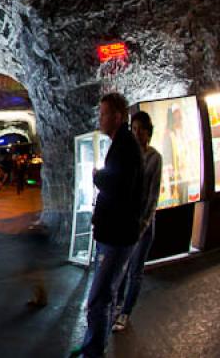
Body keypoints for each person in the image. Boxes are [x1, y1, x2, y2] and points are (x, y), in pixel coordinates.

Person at [72, 93, 144, 358]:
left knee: (98, 298)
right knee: (107, 293)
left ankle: (93, 352)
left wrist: (97, 177)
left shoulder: (124, 146)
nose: (99, 118)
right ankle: (95, 346)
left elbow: (119, 186)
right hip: (117, 233)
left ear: (117, 116)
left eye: (103, 114)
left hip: (116, 236)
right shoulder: (122, 144)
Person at [113, 111, 163, 332]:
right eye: (134, 129)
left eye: (141, 129)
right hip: (126, 221)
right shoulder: (130, 155)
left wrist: (143, 225)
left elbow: (153, 196)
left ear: (148, 132)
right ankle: (117, 305)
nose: (137, 133)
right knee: (123, 267)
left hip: (142, 223)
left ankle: (125, 313)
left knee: (135, 270)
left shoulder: (155, 158)